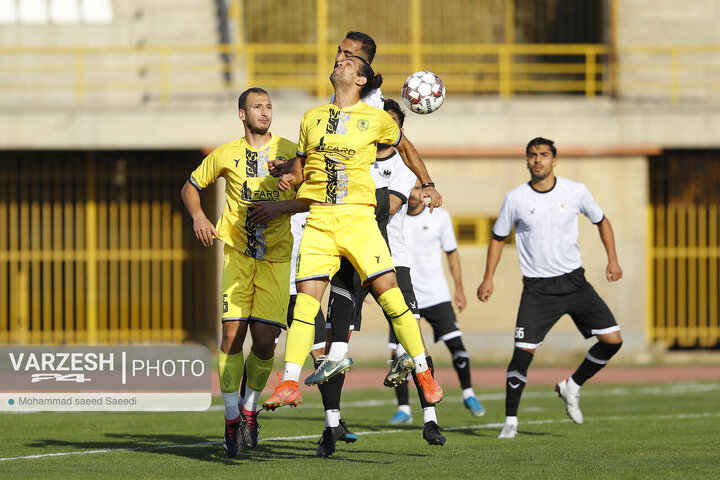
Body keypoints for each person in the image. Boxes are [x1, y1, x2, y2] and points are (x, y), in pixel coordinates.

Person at [262, 55, 444, 440]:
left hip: (358, 221)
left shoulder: (376, 118)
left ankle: (425, 375)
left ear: (361, 79)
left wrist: (426, 183)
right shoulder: (311, 117)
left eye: (348, 61)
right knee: (306, 308)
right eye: (338, 59)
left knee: (392, 299)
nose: (340, 62)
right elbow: (303, 165)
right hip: (319, 223)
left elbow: (407, 149)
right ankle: (291, 382)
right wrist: (288, 174)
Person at [180, 87, 302, 457]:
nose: (265, 113)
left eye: (269, 107)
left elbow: (315, 194)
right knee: (232, 337)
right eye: (257, 107)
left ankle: (250, 409)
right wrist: (199, 215)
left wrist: (284, 204)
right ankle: (232, 419)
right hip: (237, 256)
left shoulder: (290, 151)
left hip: (277, 258)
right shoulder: (226, 153)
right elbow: (190, 186)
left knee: (264, 341)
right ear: (241, 114)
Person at [476, 137, 623, 439]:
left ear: (555, 160)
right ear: (527, 161)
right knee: (522, 355)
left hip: (574, 282)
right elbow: (497, 237)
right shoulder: (516, 198)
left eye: (544, 155)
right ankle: (510, 423)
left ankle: (572, 385)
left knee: (613, 341)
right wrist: (488, 277)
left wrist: (613, 260)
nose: (538, 160)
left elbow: (601, 220)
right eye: (532, 155)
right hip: (538, 290)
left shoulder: (576, 191)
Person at [388, 179, 486, 425]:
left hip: (436, 294)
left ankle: (468, 394)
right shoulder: (392, 217)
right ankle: (404, 409)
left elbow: (452, 253)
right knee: (399, 354)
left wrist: (460, 289)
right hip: (403, 296)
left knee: (458, 348)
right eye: (408, 189)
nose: (412, 195)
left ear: (425, 192)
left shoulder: (440, 218)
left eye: (416, 189)